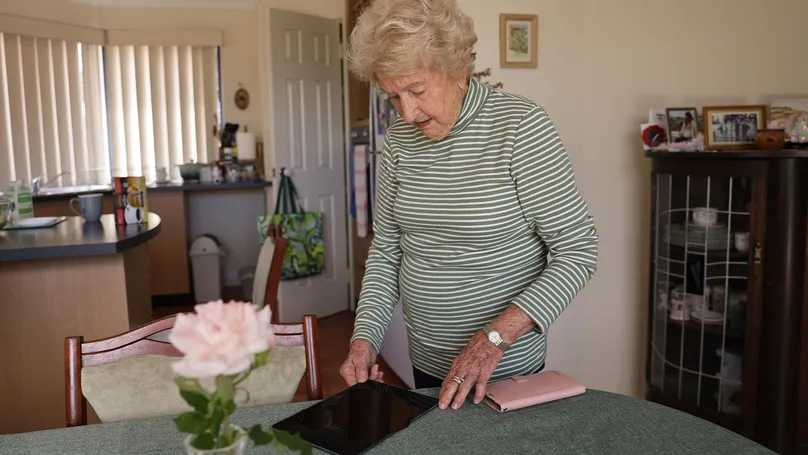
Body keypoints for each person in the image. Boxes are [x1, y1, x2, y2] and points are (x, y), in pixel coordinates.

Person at [340, 0, 599, 411]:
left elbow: (577, 251)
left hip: (505, 368)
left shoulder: (520, 127)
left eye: (417, 91)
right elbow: (388, 250)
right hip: (425, 364)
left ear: (456, 67)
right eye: (393, 97)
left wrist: (494, 338)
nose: (406, 113)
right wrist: (364, 337)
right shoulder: (398, 142)